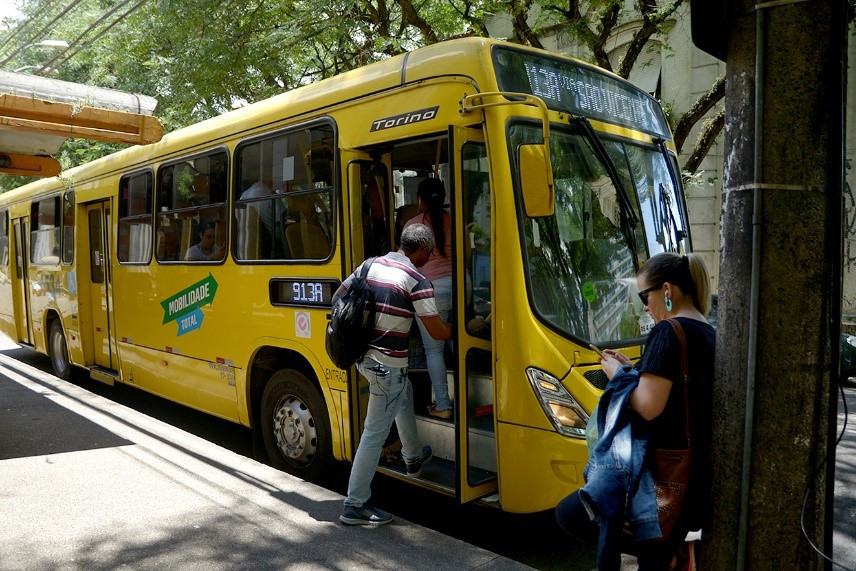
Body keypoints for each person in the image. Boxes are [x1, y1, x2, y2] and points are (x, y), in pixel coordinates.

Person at [555, 252, 715, 570]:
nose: (644, 306)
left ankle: (676, 557)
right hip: (694, 475)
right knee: (652, 558)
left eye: (645, 296)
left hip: (661, 478)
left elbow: (648, 406)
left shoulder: (669, 331)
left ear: (667, 291)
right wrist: (634, 370)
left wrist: (617, 373)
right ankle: (675, 556)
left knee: (571, 513)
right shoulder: (707, 332)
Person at [337, 223, 454, 526]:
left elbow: (339, 295)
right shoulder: (416, 280)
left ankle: (413, 457)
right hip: (387, 366)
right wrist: (465, 331)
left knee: (405, 393)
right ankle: (355, 504)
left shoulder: (369, 265)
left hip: (364, 359)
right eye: (429, 253)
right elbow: (437, 332)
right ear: (425, 251)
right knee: (374, 434)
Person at [403, 177, 454, 420]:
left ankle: (443, 405)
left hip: (431, 292)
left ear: (420, 200)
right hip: (457, 287)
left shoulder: (413, 225)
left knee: (434, 351)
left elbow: (403, 263)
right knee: (455, 342)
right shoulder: (453, 219)